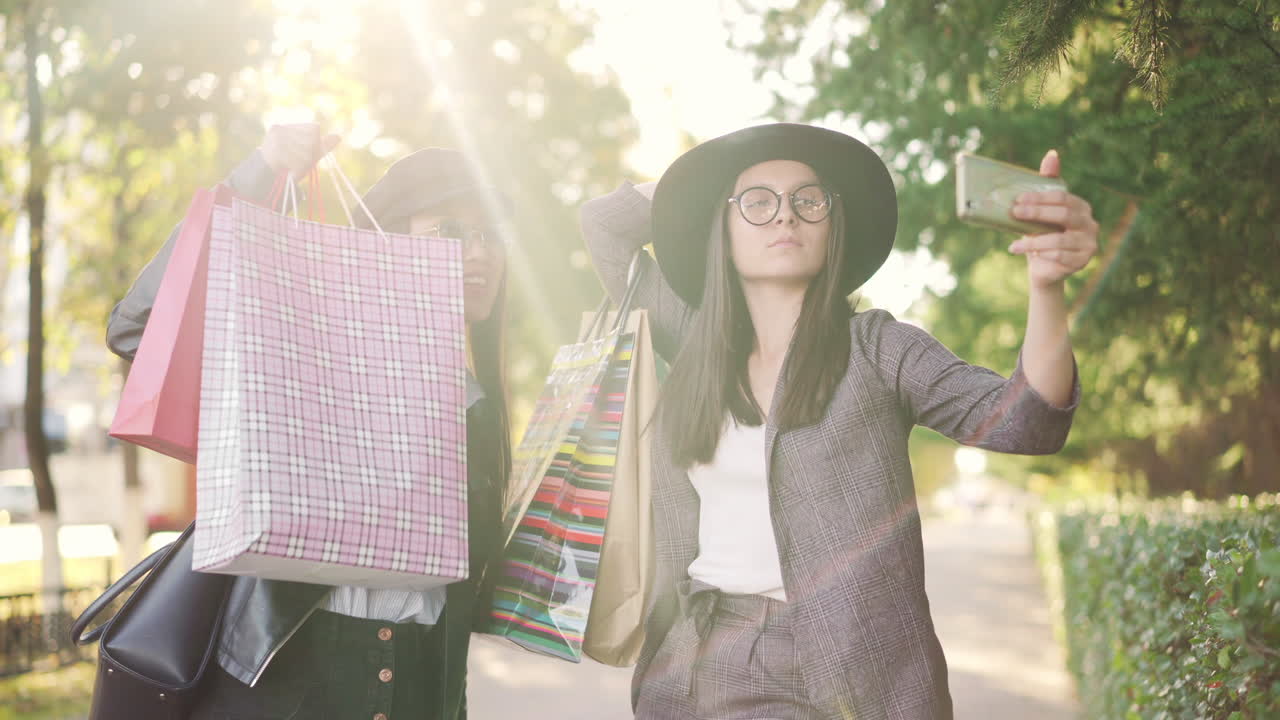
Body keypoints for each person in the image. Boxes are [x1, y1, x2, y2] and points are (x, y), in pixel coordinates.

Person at [582, 123, 1096, 719]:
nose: (785, 217)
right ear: (719, 230)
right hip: (701, 660)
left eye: (808, 199)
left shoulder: (879, 349)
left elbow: (1029, 422)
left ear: (833, 225)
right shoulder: (694, 338)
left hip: (852, 668)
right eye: (756, 202)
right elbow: (604, 225)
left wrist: (1046, 287)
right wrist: (689, 188)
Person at [106, 122, 512, 719]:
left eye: (489, 235)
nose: (479, 252)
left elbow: (455, 600)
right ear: (387, 245)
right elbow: (138, 328)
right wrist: (260, 171)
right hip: (286, 680)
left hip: (417, 690)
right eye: (452, 231)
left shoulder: (478, 405)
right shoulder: (308, 345)